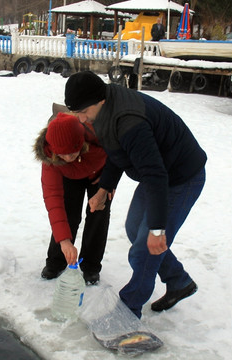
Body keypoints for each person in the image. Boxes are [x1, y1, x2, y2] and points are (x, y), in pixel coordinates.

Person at [64, 71, 207, 318]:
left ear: (100, 101)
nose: (80, 118)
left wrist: (158, 229)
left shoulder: (129, 121)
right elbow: (117, 151)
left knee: (145, 247)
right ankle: (178, 281)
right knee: (134, 229)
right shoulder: (101, 107)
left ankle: (128, 311)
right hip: (158, 172)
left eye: (83, 111)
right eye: (76, 111)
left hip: (181, 177)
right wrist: (103, 188)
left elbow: (155, 176)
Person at [34, 109, 111, 285]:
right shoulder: (50, 158)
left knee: (98, 215)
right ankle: (56, 260)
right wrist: (64, 241)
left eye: (73, 152)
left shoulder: (98, 133)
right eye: (62, 154)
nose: (68, 157)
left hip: (100, 175)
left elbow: (120, 152)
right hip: (69, 176)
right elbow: (53, 201)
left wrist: (109, 180)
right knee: (68, 212)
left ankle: (91, 266)